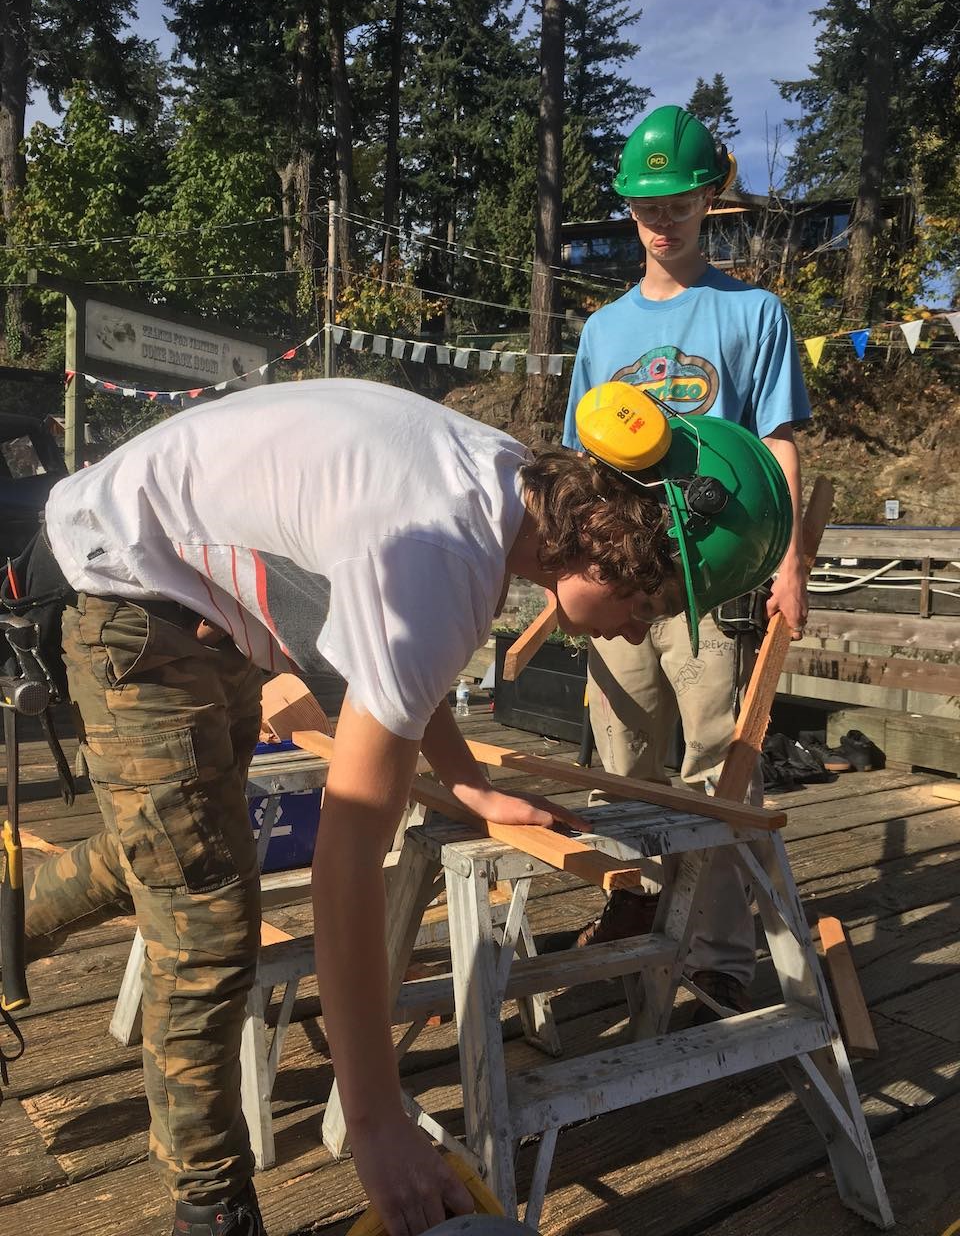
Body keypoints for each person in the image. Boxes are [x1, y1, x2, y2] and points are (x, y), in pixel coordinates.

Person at [19, 376, 689, 1236]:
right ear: (607, 543)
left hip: (200, 612)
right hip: (126, 602)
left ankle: (9, 919)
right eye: (652, 603)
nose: (639, 631)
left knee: (170, 848)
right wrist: (375, 1120)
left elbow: (404, 661)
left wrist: (468, 782)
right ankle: (211, 1205)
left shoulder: (501, 488)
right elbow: (348, 854)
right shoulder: (442, 550)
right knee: (205, 918)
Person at [560, 104, 811, 1015]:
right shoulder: (601, 334)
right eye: (644, 203)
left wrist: (789, 560)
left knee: (716, 762)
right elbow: (582, 468)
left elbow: (778, 447)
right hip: (622, 576)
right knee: (623, 755)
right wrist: (568, 573)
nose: (661, 219)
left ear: (711, 199)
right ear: (628, 207)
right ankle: (630, 906)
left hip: (716, 572)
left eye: (678, 200)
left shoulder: (752, 312)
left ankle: (716, 949)